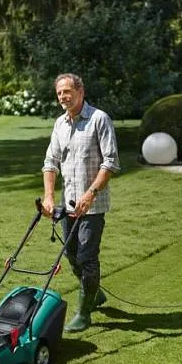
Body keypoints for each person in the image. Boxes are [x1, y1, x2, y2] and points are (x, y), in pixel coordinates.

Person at [41, 73, 120, 332]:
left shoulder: (99, 120)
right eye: (59, 93)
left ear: (80, 92)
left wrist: (91, 193)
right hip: (69, 204)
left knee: (87, 257)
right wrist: (50, 196)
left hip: (93, 205)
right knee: (72, 255)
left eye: (67, 92)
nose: (63, 97)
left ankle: (84, 313)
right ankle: (94, 293)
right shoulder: (60, 124)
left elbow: (110, 162)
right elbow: (50, 163)